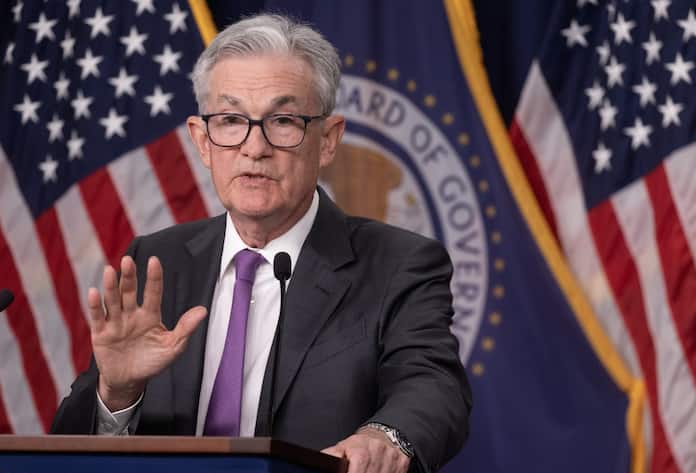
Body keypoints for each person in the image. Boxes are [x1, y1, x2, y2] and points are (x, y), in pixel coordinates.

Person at [50, 13, 471, 473]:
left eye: (283, 120)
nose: (254, 147)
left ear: (327, 141)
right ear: (202, 139)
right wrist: (118, 394)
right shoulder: (156, 263)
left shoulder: (398, 265)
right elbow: (69, 446)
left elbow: (433, 386)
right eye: (231, 120)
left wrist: (384, 437)